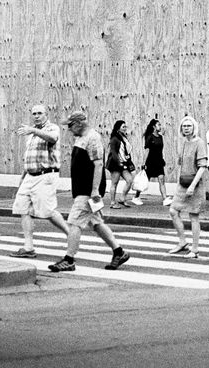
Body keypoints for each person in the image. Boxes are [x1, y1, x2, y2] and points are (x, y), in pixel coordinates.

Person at [48, 111, 130, 272]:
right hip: (83, 188)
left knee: (74, 223)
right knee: (96, 223)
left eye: (71, 125)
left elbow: (98, 165)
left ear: (79, 124)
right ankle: (119, 252)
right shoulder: (81, 138)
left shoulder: (92, 138)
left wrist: (94, 190)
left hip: (88, 190)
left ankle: (69, 259)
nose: (69, 129)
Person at [9, 103, 70, 257]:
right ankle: (28, 247)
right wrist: (22, 177)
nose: (36, 116)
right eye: (34, 113)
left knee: (48, 211)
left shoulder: (52, 128)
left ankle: (71, 234)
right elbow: (30, 157)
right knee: (23, 208)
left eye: (39, 113)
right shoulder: (31, 134)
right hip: (30, 176)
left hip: (46, 175)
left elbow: (52, 138)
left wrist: (34, 130)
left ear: (46, 115)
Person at [167, 115, 208, 259]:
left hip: (195, 185)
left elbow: (202, 167)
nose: (186, 128)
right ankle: (182, 241)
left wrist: (192, 186)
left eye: (189, 126)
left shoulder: (199, 143)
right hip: (182, 183)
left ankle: (195, 249)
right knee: (173, 210)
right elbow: (180, 164)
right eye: (184, 126)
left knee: (193, 216)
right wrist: (178, 182)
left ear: (194, 128)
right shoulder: (184, 143)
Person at [106, 119, 138, 207]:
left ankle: (122, 198)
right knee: (114, 183)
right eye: (123, 127)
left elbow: (126, 151)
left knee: (129, 180)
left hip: (124, 163)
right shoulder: (114, 139)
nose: (125, 128)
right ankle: (112, 202)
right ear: (118, 128)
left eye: (125, 126)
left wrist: (128, 161)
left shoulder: (123, 137)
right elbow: (113, 153)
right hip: (115, 164)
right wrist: (118, 163)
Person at [143, 117, 172, 206]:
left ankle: (165, 199)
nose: (160, 126)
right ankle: (136, 196)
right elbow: (147, 150)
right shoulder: (149, 137)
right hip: (150, 162)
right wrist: (143, 163)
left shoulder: (160, 137)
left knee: (161, 179)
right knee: (144, 181)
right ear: (154, 127)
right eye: (159, 125)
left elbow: (160, 150)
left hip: (159, 162)